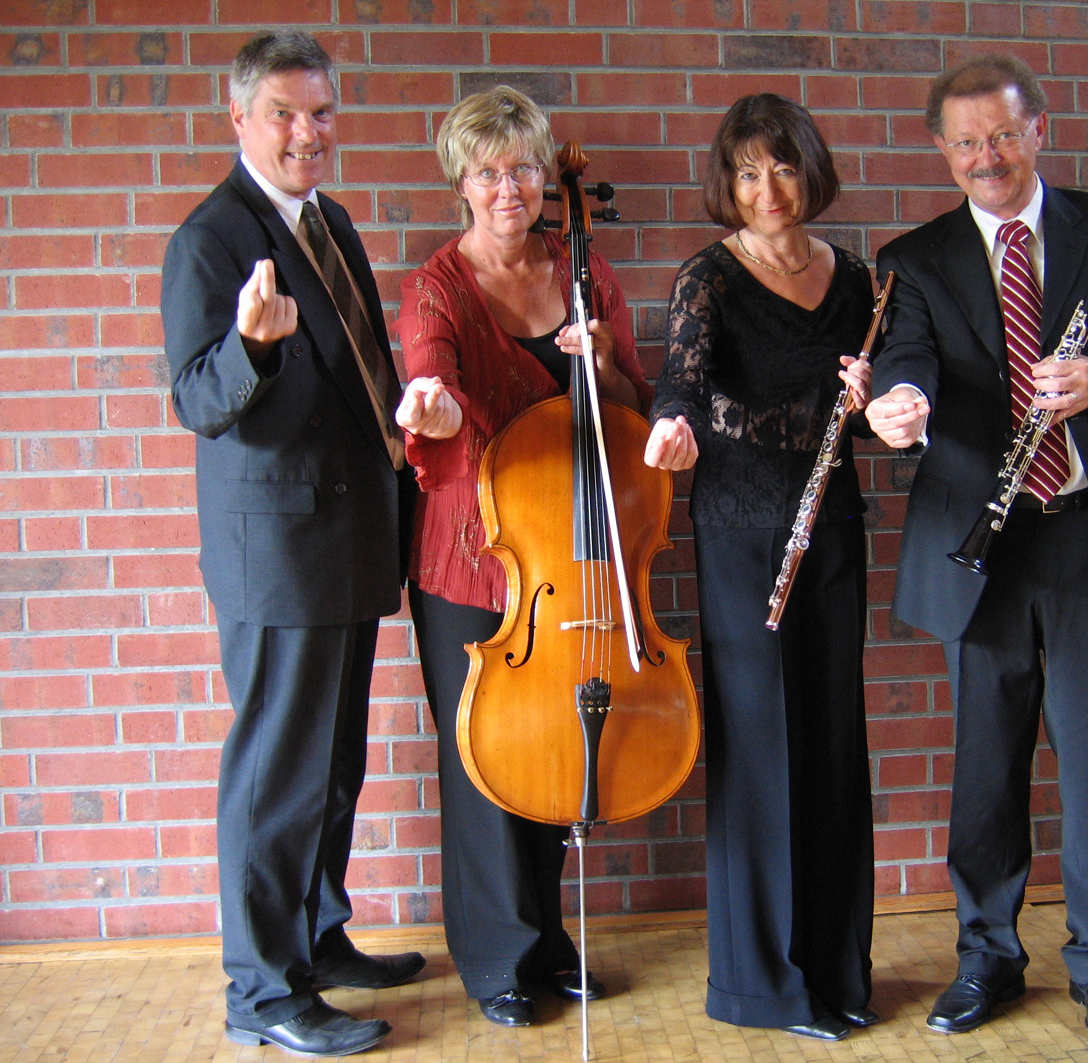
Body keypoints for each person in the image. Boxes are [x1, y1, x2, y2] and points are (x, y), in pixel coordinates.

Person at [865, 54, 1088, 1046]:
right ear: (940, 150)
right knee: (985, 767)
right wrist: (901, 403)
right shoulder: (912, 257)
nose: (988, 157)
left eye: (1004, 135)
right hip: (978, 547)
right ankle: (987, 959)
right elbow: (906, 362)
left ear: (1040, 130)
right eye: (966, 142)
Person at [161, 30, 424, 1058]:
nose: (307, 132)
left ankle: (316, 935)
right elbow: (196, 398)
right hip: (278, 555)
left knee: (333, 763)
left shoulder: (330, 220)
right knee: (278, 775)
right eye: (283, 113)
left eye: (321, 112)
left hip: (349, 534)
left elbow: (360, 370)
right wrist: (250, 348)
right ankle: (263, 992)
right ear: (239, 118)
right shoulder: (210, 237)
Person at [392, 86, 651, 1028]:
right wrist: (432, 409)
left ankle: (547, 940)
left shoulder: (587, 273)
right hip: (472, 557)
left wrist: (603, 361)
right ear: (460, 182)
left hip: (571, 561)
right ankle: (495, 955)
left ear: (548, 177)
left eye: (525, 168)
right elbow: (432, 375)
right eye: (489, 172)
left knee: (553, 745)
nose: (510, 188)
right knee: (482, 756)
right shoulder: (436, 286)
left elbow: (634, 405)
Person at [644, 93, 877, 1043]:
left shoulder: (854, 277)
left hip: (832, 523)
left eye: (781, 166)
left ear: (808, 169)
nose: (767, 188)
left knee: (831, 735)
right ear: (727, 184)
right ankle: (763, 983)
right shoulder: (708, 275)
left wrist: (879, 396)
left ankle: (838, 968)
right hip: (743, 529)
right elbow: (682, 379)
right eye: (746, 172)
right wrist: (671, 424)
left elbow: (879, 403)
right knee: (761, 742)